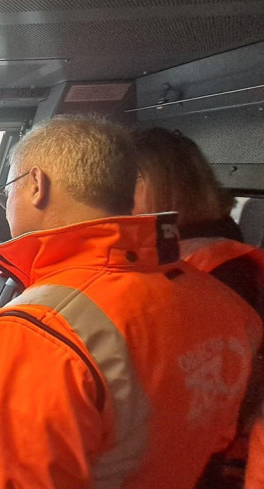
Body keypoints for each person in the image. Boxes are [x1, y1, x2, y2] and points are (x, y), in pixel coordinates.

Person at [0, 116, 262, 489]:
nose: (5, 207)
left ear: (36, 185)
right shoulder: (226, 304)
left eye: (6, 192)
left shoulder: (36, 331)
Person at [132, 127, 264, 488]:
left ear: (161, 186)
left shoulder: (220, 268)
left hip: (193, 449)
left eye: (124, 183)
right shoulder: (170, 251)